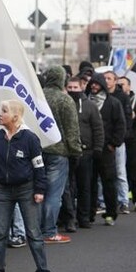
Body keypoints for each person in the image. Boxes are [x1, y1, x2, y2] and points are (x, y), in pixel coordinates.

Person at [0, 99, 50, 272]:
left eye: (3, 111)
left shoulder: (30, 138)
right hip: (1, 190)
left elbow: (39, 167)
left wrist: (39, 190)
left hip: (26, 189)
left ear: (15, 116)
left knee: (33, 233)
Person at [40, 66, 81, 243]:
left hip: (37, 150)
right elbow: (72, 130)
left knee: (37, 193)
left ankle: (35, 230)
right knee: (53, 194)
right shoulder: (65, 100)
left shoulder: (37, 97)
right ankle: (49, 232)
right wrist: (76, 151)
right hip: (58, 152)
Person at [64, 76, 104, 228]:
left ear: (81, 87)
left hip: (86, 152)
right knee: (68, 187)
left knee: (85, 186)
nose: (73, 90)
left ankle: (84, 217)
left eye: (75, 87)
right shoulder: (64, 104)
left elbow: (98, 128)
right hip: (67, 152)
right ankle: (68, 218)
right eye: (70, 88)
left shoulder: (90, 106)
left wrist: (98, 148)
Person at [86, 73, 126, 226]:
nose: (94, 87)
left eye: (97, 84)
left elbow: (120, 125)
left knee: (109, 182)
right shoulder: (85, 101)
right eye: (92, 84)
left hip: (106, 149)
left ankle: (111, 213)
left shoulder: (113, 103)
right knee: (89, 182)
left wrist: (114, 144)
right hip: (89, 149)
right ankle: (88, 213)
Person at [104, 71, 132, 214]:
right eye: (105, 78)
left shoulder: (122, 98)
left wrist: (118, 140)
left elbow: (125, 121)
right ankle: (103, 201)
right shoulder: (99, 97)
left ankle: (124, 201)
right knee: (104, 175)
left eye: (109, 78)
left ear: (115, 81)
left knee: (120, 172)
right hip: (103, 142)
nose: (106, 81)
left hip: (117, 141)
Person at [118, 76, 136, 212]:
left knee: (134, 169)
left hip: (132, 139)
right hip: (119, 139)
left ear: (129, 86)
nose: (120, 86)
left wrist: (135, 118)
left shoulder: (135, 101)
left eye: (123, 84)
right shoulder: (115, 99)